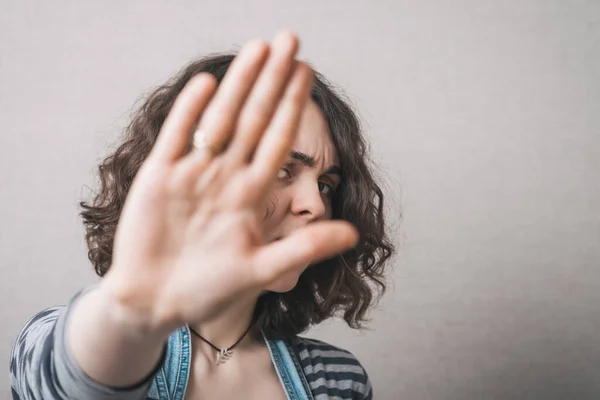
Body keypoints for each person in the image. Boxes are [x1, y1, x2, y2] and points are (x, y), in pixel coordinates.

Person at [9, 31, 394, 400]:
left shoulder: (338, 379)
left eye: (326, 184)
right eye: (281, 170)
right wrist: (130, 313)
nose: (315, 204)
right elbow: (71, 385)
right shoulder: (50, 340)